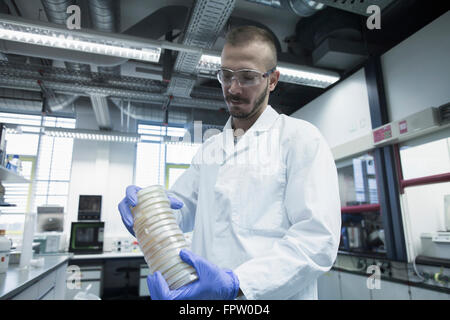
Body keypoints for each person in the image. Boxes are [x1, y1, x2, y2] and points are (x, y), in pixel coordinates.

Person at [118, 25, 341, 300]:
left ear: (272, 80)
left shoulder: (301, 140)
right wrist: (146, 209)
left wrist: (238, 283)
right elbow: (181, 207)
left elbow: (318, 240)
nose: (233, 88)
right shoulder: (211, 148)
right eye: (225, 75)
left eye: (247, 77)